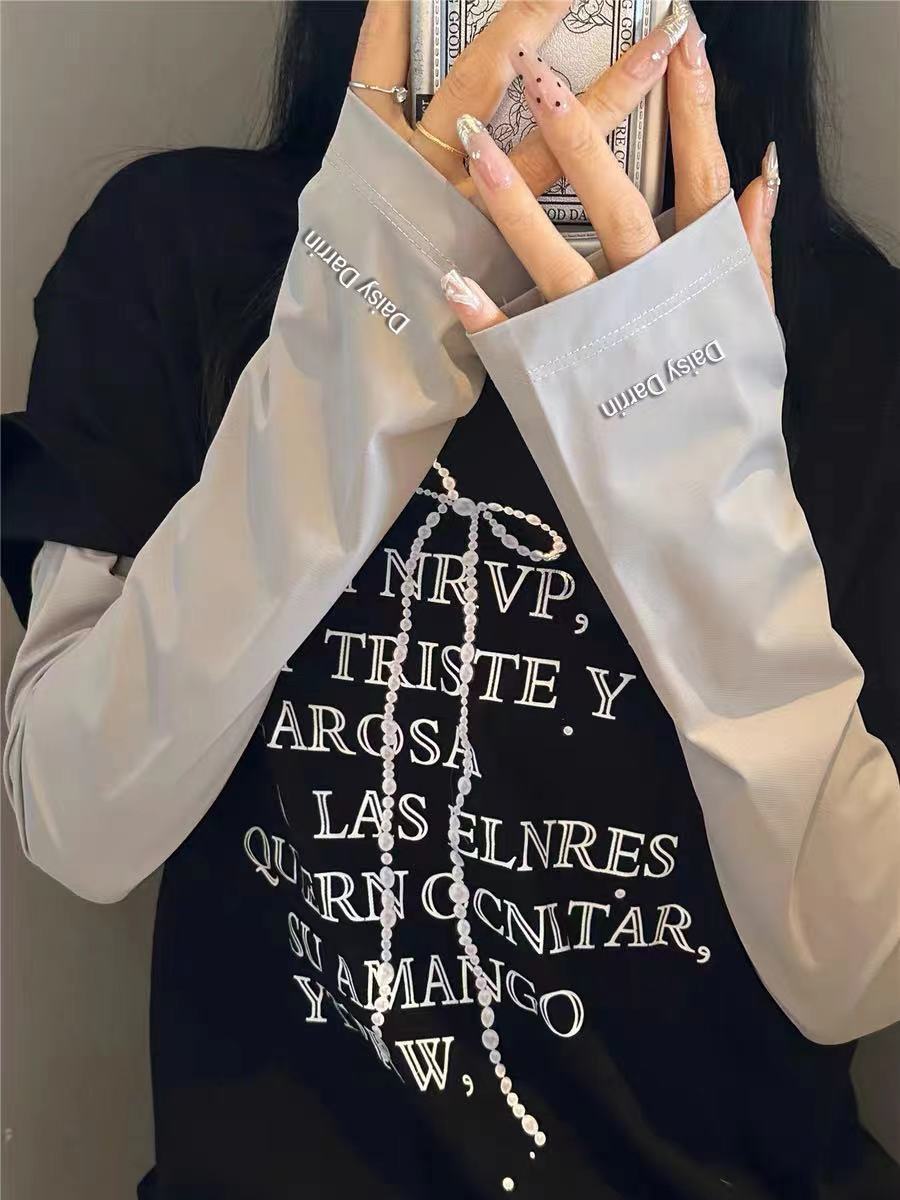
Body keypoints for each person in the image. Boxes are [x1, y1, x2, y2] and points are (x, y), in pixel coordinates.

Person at [2, 1, 898, 1196]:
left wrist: (697, 477)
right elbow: (78, 818)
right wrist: (364, 315)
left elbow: (855, 971)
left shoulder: (853, 339)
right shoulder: (184, 248)